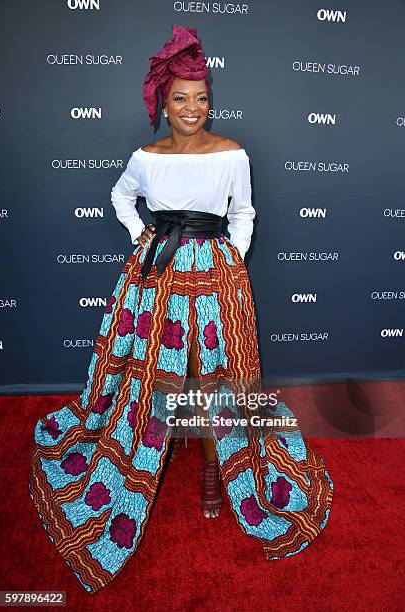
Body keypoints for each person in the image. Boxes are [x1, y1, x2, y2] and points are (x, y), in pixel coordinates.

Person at [29, 24, 333, 594]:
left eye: (201, 98)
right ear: (162, 104)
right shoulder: (144, 157)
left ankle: (222, 472)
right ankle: (145, 449)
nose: (192, 108)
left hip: (217, 276)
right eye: (180, 99)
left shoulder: (233, 154)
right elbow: (121, 196)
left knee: (219, 377)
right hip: (156, 275)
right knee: (153, 376)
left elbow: (243, 213)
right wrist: (142, 234)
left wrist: (227, 259)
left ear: (209, 102)